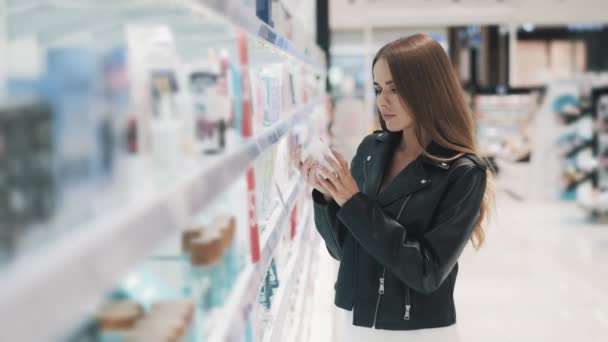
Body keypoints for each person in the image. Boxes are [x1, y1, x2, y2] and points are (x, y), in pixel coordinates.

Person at [294, 34, 494, 341]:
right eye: (377, 89)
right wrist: (326, 194)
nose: (382, 101)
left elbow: (426, 273)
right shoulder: (371, 150)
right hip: (352, 319)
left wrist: (353, 200)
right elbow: (343, 251)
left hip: (417, 330)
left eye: (395, 89)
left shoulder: (463, 173)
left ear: (427, 89)